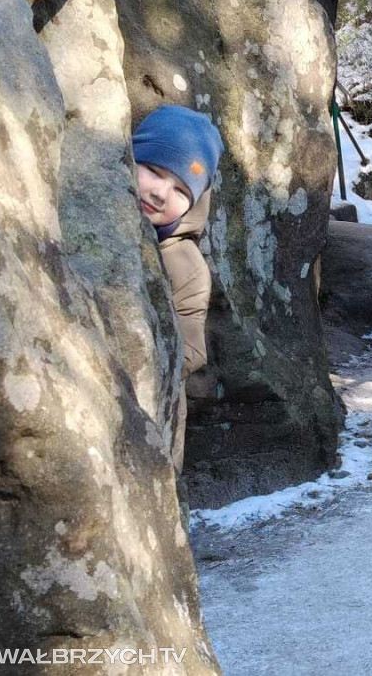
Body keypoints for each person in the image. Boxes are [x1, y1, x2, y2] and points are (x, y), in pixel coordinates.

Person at [133, 105, 224, 515]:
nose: (159, 193)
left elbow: (192, 351)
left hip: (151, 419)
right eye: (153, 170)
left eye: (180, 191)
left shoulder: (186, 266)